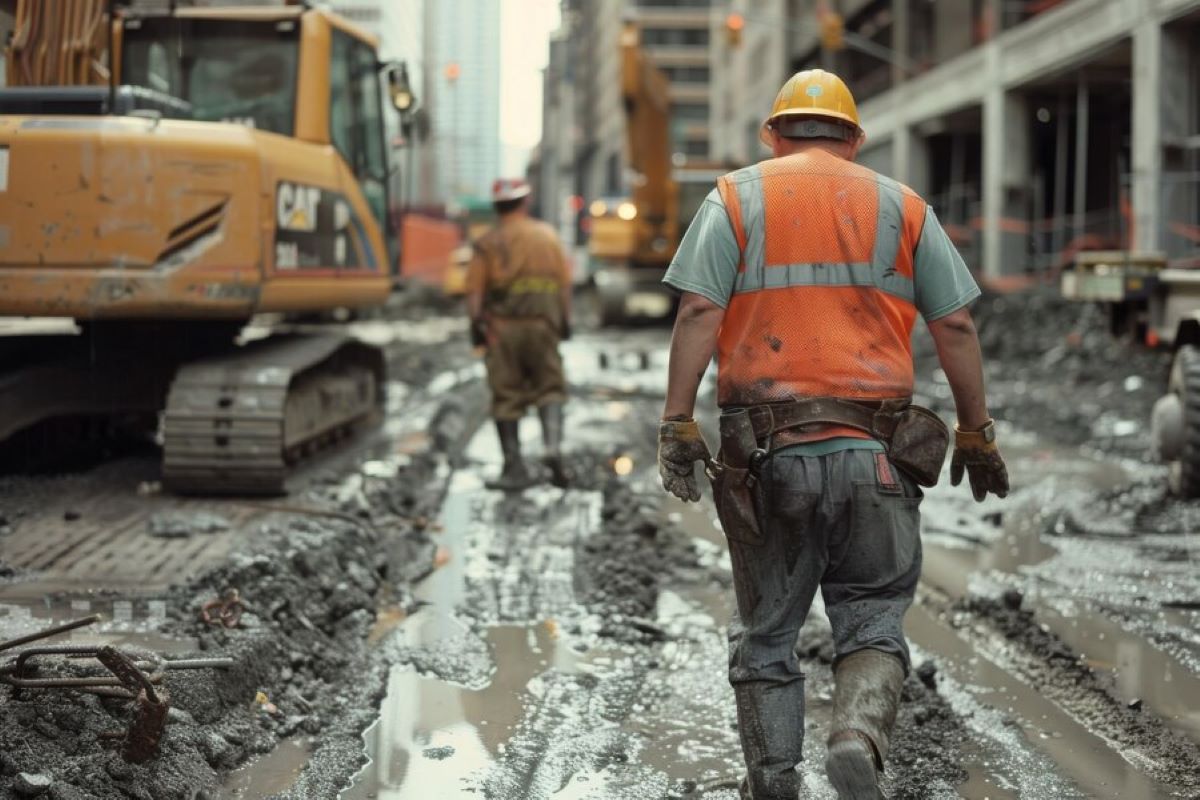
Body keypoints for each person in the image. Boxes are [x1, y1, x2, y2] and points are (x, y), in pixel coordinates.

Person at [656, 70, 1009, 800]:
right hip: (876, 459)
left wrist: (678, 420)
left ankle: (775, 782)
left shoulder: (736, 198)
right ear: (854, 138)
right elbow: (957, 324)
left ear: (773, 133)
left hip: (767, 457)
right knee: (874, 622)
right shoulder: (903, 206)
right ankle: (854, 735)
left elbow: (697, 313)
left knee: (766, 638)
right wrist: (975, 431)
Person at [467, 178, 573, 490]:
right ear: (524, 202)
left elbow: (474, 292)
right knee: (550, 388)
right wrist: (565, 321)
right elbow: (564, 284)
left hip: (502, 330)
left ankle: (514, 468)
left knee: (506, 396)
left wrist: (476, 326)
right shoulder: (547, 236)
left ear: (496, 206)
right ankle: (551, 448)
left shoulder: (487, 243)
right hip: (543, 325)